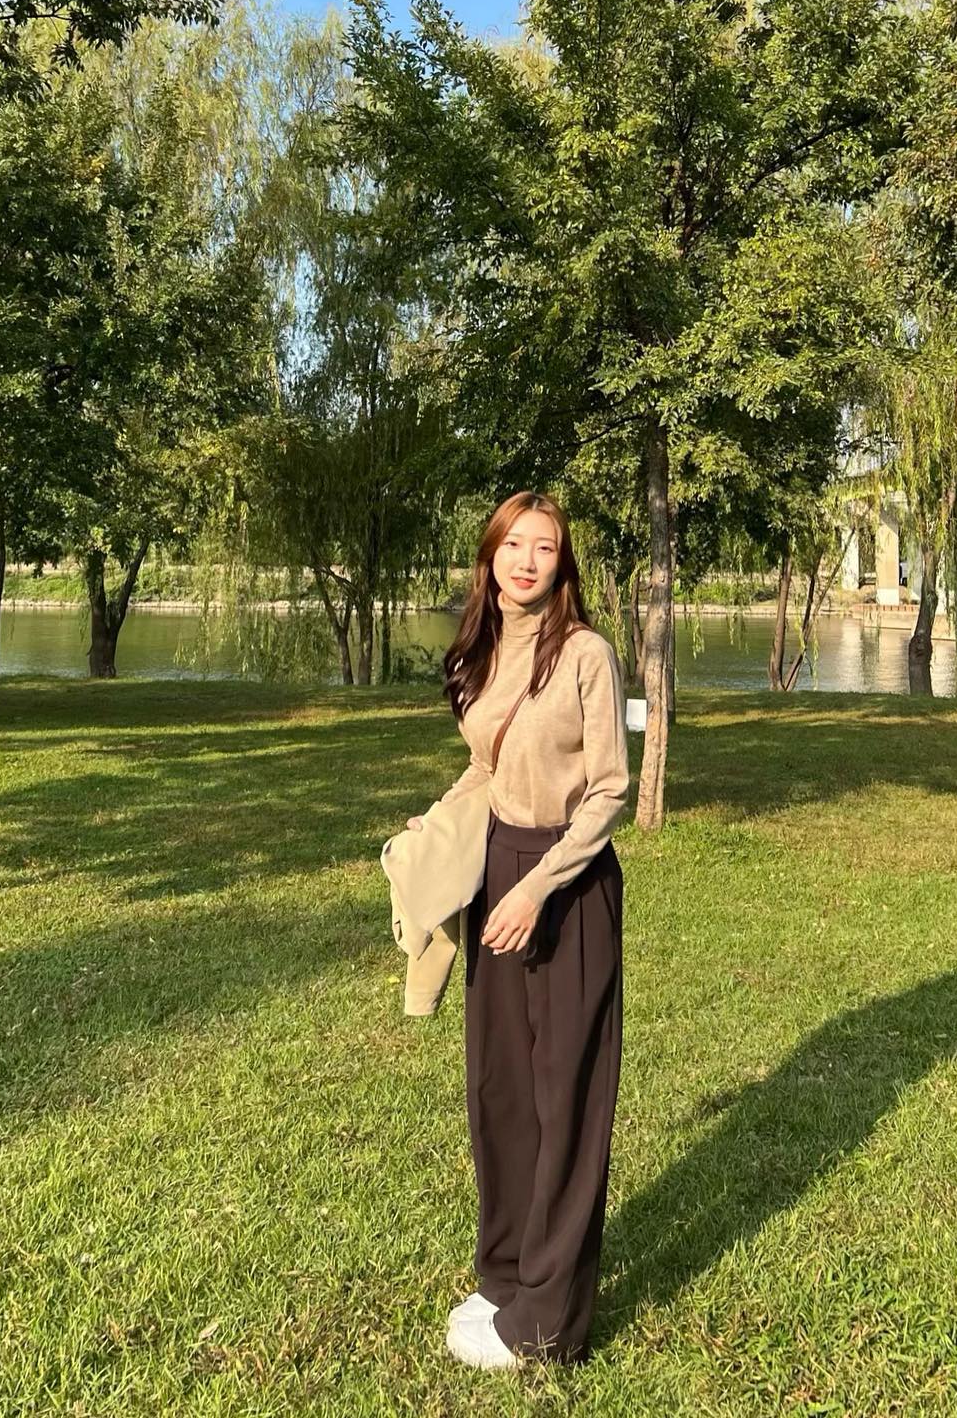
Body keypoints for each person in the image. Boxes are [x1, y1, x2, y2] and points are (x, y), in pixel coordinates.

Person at [412, 490, 629, 1370]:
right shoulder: (478, 649)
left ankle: (546, 1323)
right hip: (496, 869)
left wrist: (537, 888)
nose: (527, 561)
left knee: (564, 1095)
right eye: (513, 545)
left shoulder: (585, 655)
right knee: (499, 1086)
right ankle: (504, 1273)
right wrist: (432, 837)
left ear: (562, 562)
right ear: (490, 557)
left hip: (567, 880)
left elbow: (610, 790)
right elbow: (486, 765)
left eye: (544, 547)